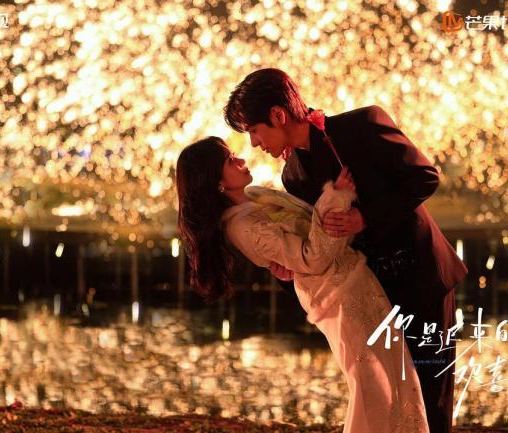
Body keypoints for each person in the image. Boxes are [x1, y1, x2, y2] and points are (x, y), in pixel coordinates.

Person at [223, 68, 468, 433]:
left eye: (255, 130)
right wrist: (288, 270)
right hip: (372, 294)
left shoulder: (362, 125)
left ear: (278, 115)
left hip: (421, 277)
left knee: (431, 398)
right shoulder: (293, 176)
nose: (255, 143)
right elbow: (323, 241)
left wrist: (363, 218)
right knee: (397, 399)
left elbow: (425, 177)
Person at [176, 136, 429, 433]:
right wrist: (336, 198)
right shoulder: (243, 226)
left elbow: (307, 239)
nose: (241, 160)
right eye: (230, 161)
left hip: (355, 283)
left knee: (393, 377)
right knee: (372, 387)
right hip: (338, 298)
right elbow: (312, 259)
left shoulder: (257, 199)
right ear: (216, 181)